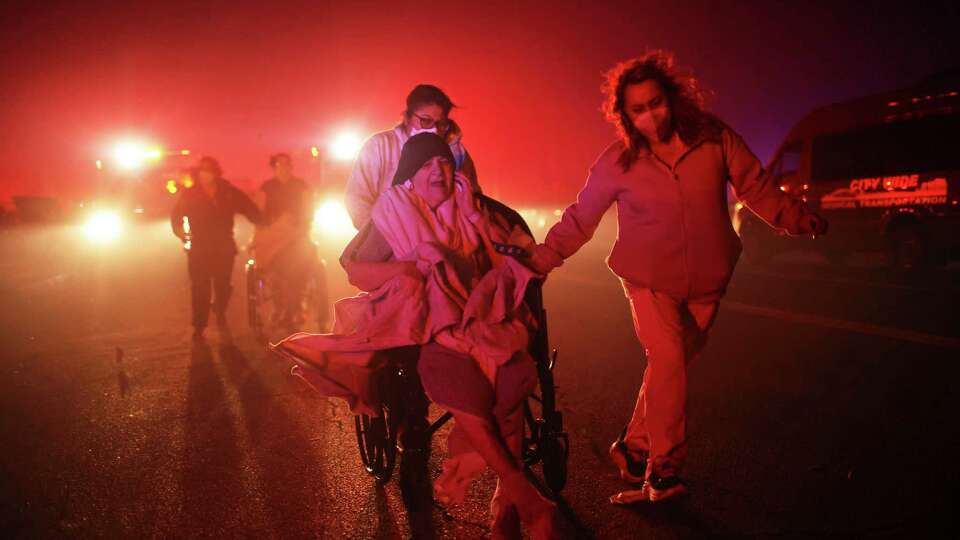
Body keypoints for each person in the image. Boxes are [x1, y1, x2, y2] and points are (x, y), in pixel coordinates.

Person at [528, 51, 829, 503]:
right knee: (667, 362)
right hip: (647, 278)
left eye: (656, 103)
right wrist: (547, 255)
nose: (650, 116)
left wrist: (795, 218)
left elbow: (755, 185)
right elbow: (582, 216)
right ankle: (663, 471)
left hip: (709, 277)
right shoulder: (618, 161)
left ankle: (632, 449)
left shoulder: (714, 138)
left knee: (670, 371)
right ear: (624, 116)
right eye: (638, 110)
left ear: (672, 97)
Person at [275, 134, 558, 539]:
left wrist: (482, 227)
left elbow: (513, 262)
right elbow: (356, 270)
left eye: (443, 163)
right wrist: (409, 269)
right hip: (428, 329)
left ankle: (506, 504)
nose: (437, 171)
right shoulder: (394, 213)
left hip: (485, 319)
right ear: (410, 175)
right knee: (460, 378)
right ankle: (520, 498)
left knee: (511, 375)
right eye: (426, 166)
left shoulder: (476, 210)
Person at [345, 84, 480, 229]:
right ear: (407, 118)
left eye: (440, 124)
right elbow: (358, 200)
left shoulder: (458, 154)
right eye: (425, 121)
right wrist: (384, 237)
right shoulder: (379, 146)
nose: (433, 129)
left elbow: (474, 200)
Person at [171, 156, 260, 341]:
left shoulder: (227, 191)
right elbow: (177, 215)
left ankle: (219, 309)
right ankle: (199, 325)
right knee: (199, 287)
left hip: (224, 247)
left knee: (223, 286)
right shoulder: (191, 194)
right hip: (199, 248)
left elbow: (248, 207)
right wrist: (180, 232)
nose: (205, 175)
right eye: (202, 171)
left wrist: (263, 222)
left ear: (216, 173)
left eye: (209, 171)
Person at [252, 153, 321, 330]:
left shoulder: (301, 186)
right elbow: (259, 214)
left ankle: (293, 309)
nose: (283, 168)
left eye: (286, 165)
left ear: (291, 166)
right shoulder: (266, 188)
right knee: (275, 274)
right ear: (274, 167)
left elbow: (309, 210)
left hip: (297, 236)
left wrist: (297, 225)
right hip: (274, 239)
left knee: (298, 270)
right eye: (279, 165)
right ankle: (282, 308)